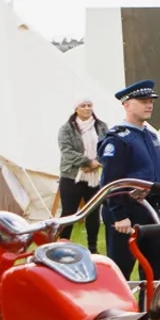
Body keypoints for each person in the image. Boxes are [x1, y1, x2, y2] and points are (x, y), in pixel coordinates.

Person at [98, 80, 160, 285]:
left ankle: (149, 310)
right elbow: (111, 180)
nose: (149, 105)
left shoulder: (149, 135)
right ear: (127, 105)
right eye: (143, 101)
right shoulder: (119, 138)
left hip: (148, 207)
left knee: (158, 260)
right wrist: (119, 215)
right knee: (122, 265)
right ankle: (121, 312)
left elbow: (156, 173)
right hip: (125, 209)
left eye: (150, 101)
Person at [55, 98, 105, 250]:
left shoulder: (101, 126)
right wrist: (87, 162)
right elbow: (67, 152)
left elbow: (107, 146)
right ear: (76, 109)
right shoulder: (66, 129)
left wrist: (96, 162)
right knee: (68, 213)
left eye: (90, 105)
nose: (87, 108)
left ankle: (92, 247)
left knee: (93, 213)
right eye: (83, 105)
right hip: (72, 177)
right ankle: (62, 245)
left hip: (94, 178)